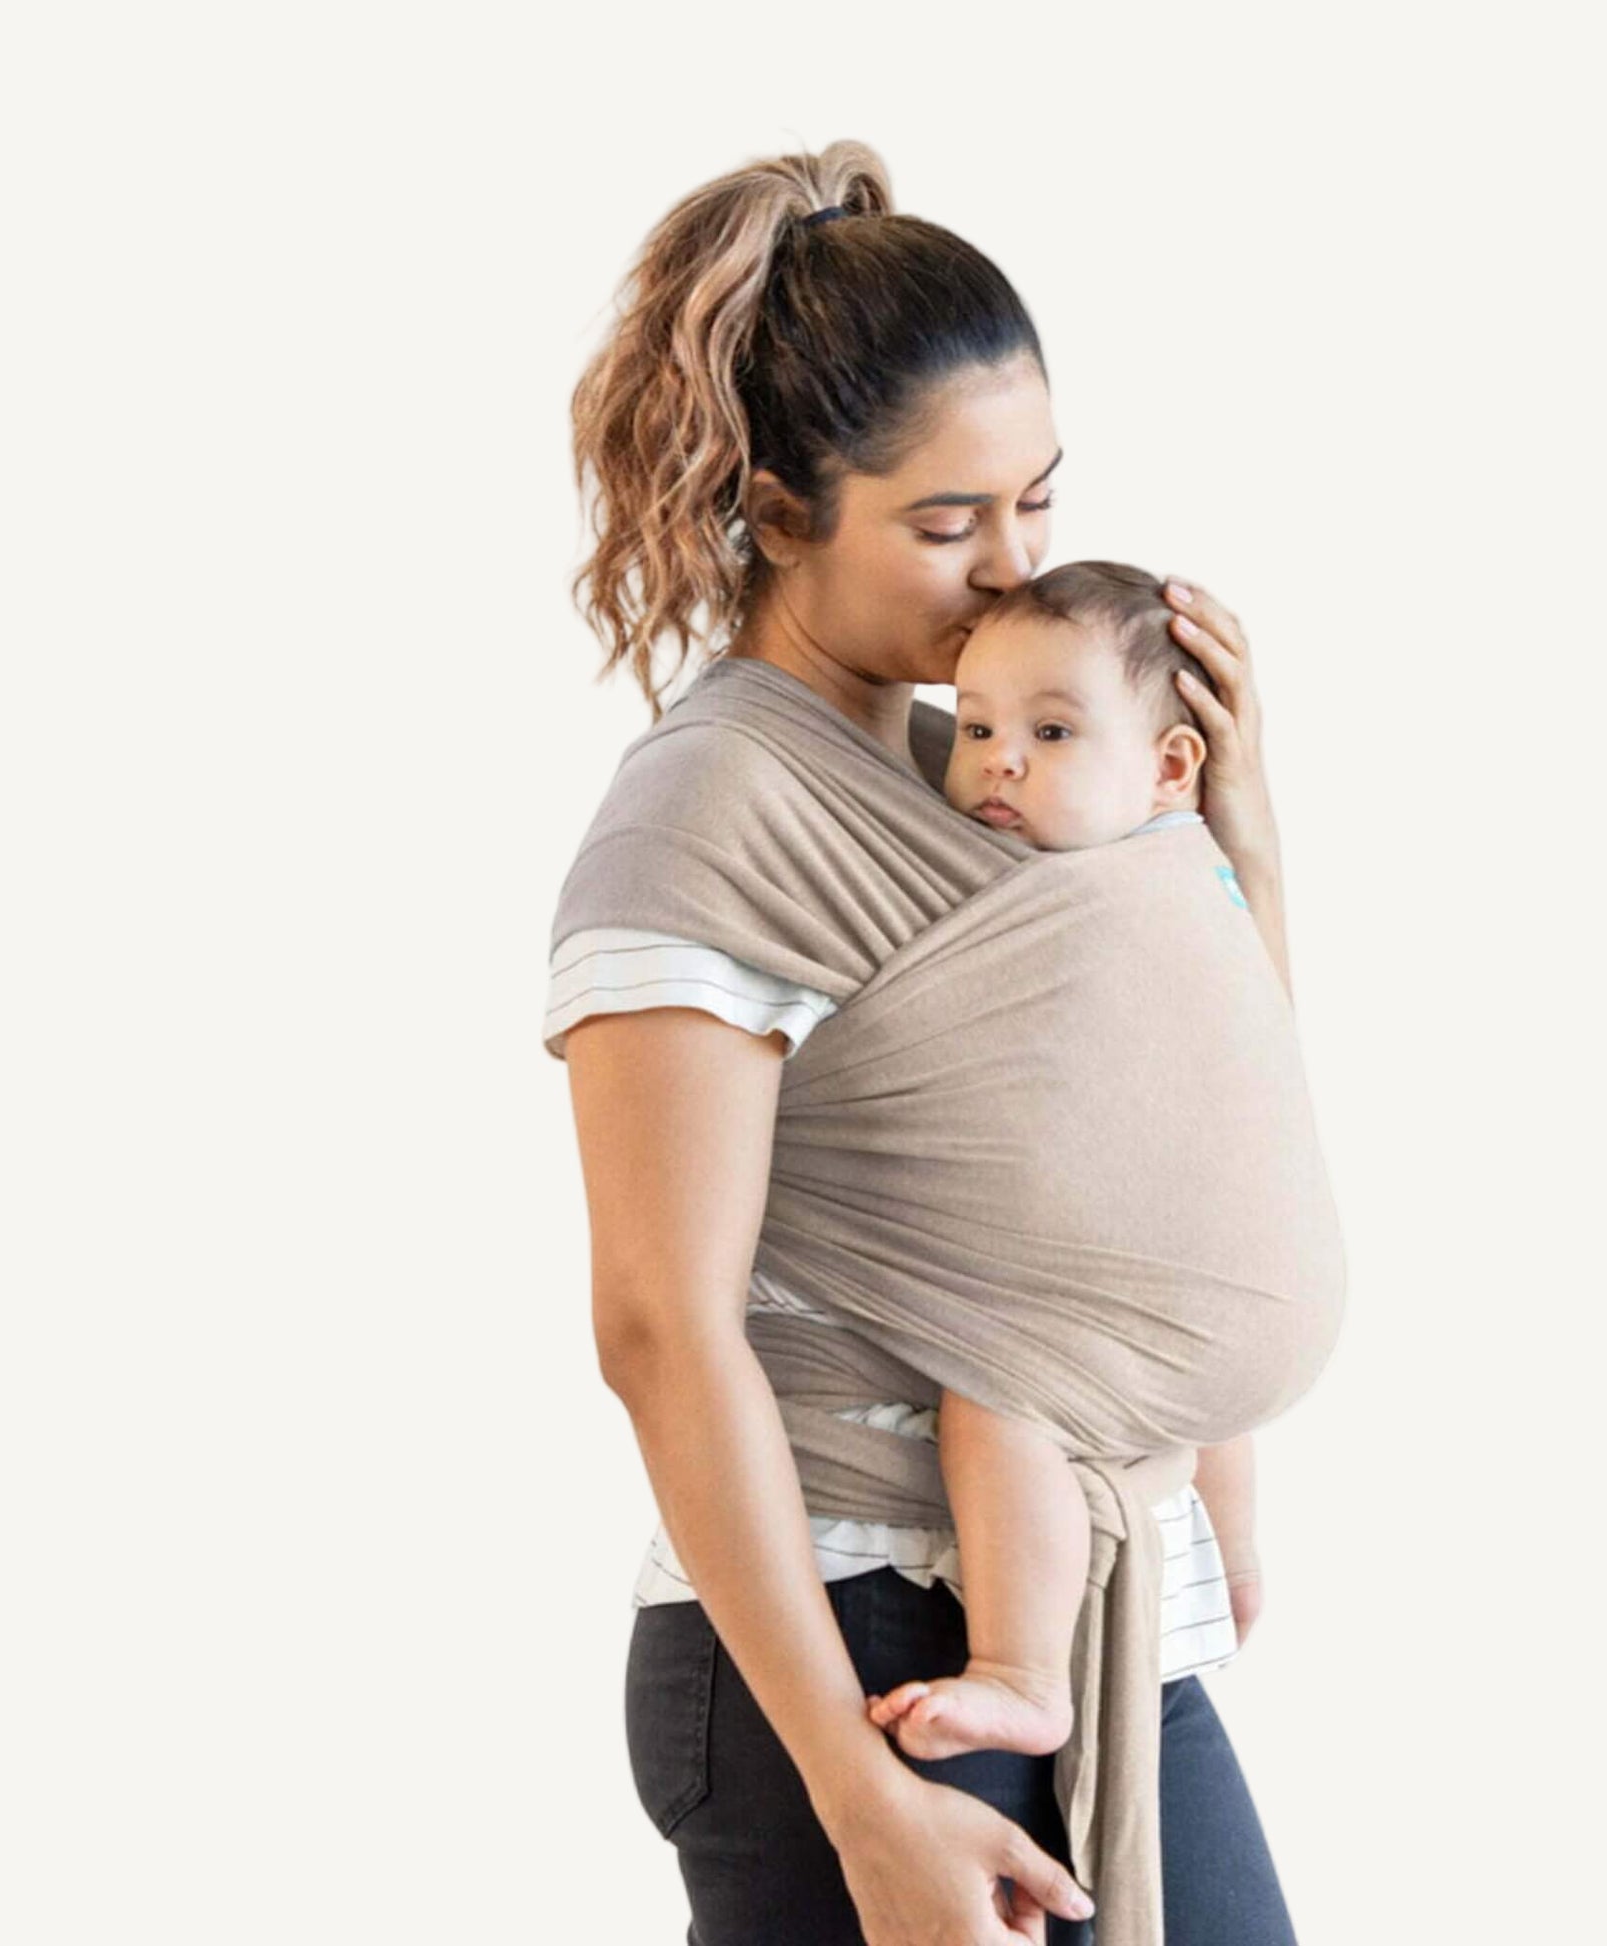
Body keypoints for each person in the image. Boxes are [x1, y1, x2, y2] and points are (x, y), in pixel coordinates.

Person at [547, 140, 1300, 1945]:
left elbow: (1196, 1127)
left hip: (1067, 1621)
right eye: (946, 525)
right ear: (774, 507)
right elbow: (660, 1326)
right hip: (857, 1644)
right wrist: (856, 1798)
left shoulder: (1000, 776)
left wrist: (1238, 834)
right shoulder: (712, 809)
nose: (1009, 574)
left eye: (1036, 504)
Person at [864, 559, 1287, 1767]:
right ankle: (1231, 1559)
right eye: (980, 723)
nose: (997, 757)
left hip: (1159, 1258)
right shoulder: (1179, 875)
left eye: (1050, 732)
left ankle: (1019, 1666)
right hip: (1192, 1266)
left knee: (993, 1394)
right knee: (1201, 1411)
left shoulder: (1133, 883)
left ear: (1166, 768)